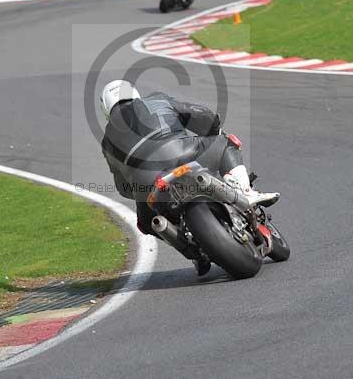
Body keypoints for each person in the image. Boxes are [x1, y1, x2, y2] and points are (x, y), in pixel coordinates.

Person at [99, 80, 279, 276]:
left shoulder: (107, 142)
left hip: (149, 183)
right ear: (134, 94)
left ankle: (193, 254)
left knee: (145, 223)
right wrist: (213, 127)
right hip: (182, 153)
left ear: (106, 108)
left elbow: (122, 187)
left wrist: (140, 188)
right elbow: (197, 114)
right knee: (226, 142)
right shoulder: (155, 100)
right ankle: (245, 191)